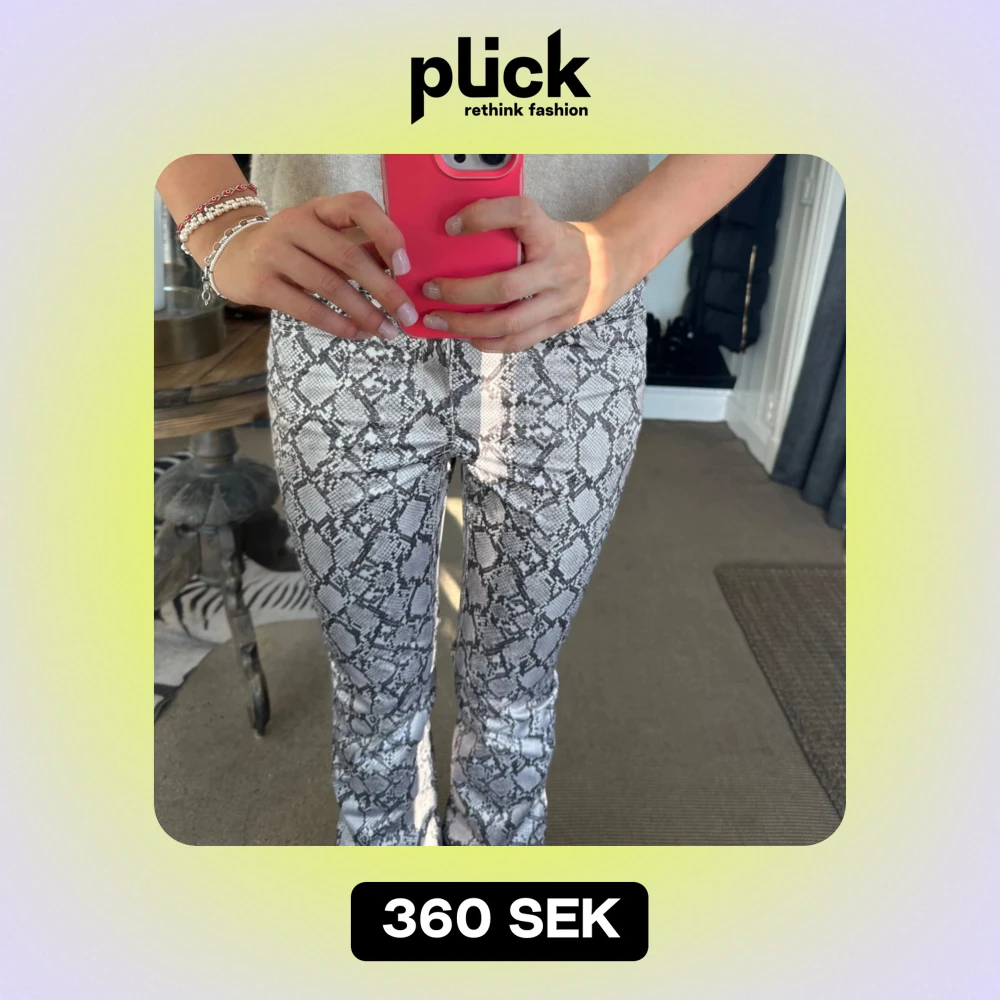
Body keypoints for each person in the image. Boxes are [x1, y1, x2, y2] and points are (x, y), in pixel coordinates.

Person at [156, 153, 773, 846]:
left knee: (515, 691)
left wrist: (620, 246)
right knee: (372, 693)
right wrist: (220, 224)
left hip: (571, 315)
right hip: (338, 312)